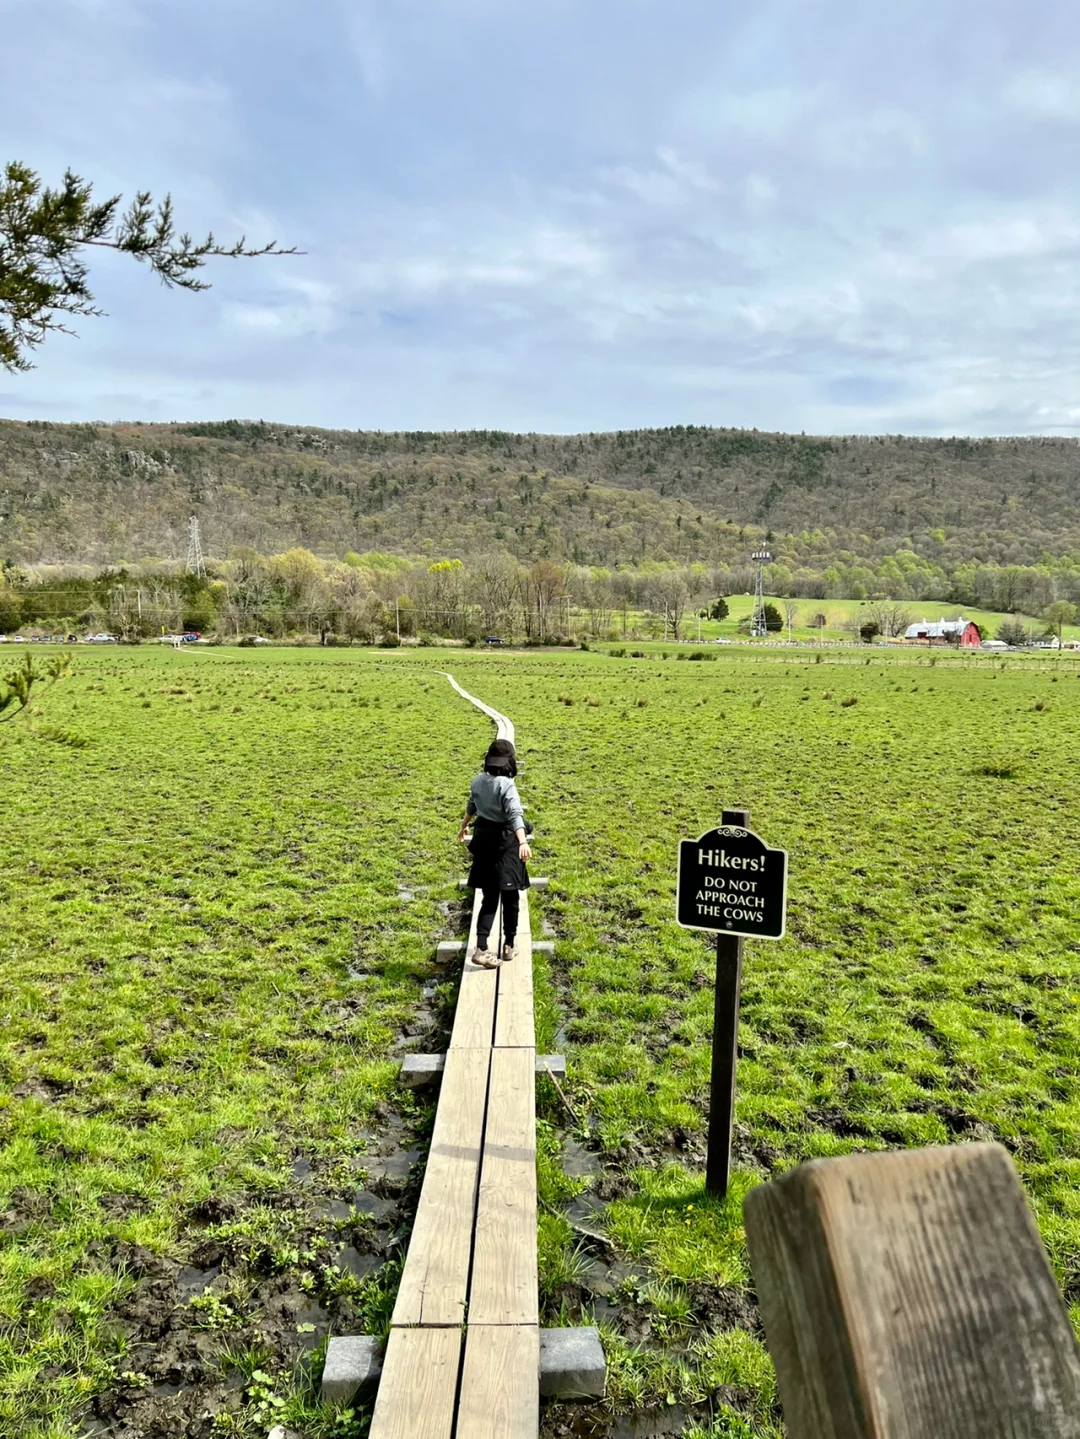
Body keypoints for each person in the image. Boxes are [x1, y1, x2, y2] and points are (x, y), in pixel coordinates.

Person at [457, 738, 532, 969]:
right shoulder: (506, 785)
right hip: (505, 844)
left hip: (483, 840)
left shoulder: (477, 781)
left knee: (489, 898)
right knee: (510, 897)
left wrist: (464, 826)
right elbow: (514, 815)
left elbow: (472, 805)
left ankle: (481, 948)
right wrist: (523, 842)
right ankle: (509, 945)